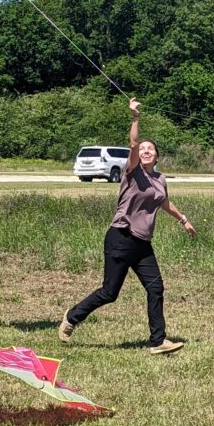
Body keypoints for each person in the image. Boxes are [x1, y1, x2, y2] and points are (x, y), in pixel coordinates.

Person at [58, 98, 195, 354]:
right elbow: (132, 143)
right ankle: (72, 317)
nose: (145, 151)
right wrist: (135, 118)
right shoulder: (132, 171)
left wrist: (183, 220)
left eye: (150, 149)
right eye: (143, 148)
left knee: (156, 288)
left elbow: (164, 202)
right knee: (110, 293)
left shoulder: (159, 179)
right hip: (120, 238)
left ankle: (157, 341)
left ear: (156, 156)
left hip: (142, 244)